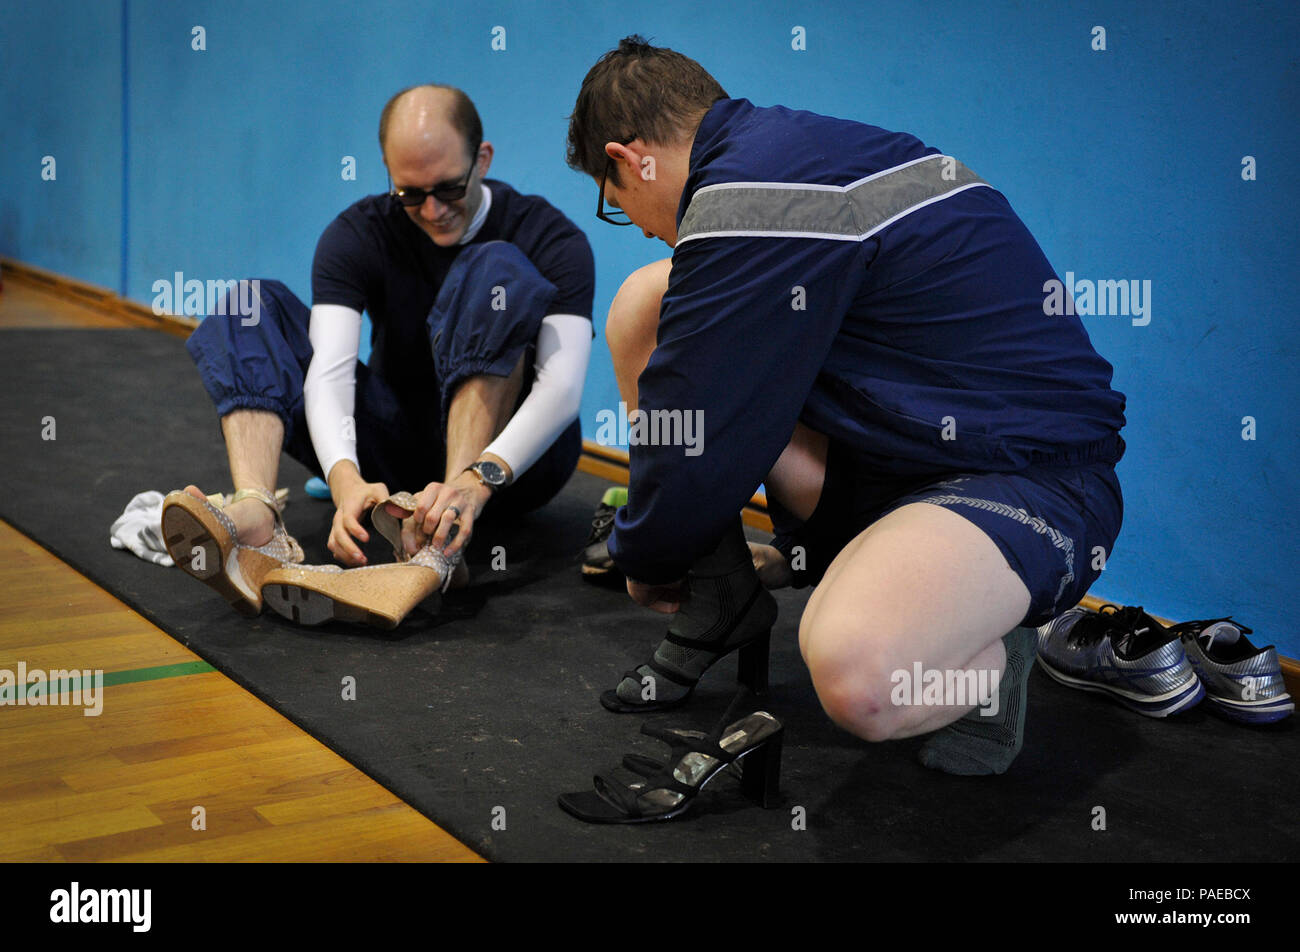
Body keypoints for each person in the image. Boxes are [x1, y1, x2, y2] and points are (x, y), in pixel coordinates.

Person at [564, 37, 1126, 775]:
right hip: (903, 448)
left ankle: (990, 656)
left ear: (630, 155)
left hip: (1031, 481)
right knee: (645, 300)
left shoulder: (747, 202)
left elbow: (696, 431)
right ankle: (725, 594)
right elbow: (705, 400)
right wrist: (693, 553)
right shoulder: (782, 158)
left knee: (860, 681)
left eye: (619, 204)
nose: (635, 224)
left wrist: (648, 553)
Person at [166, 84, 595, 624]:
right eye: (410, 194)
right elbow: (329, 371)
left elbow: (563, 389)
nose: (434, 210)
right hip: (397, 449)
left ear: (482, 159)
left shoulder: (551, 237)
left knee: (495, 270)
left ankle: (444, 534)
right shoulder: (357, 235)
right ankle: (256, 516)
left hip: (511, 466)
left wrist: (474, 481)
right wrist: (345, 477)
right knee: (250, 304)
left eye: (448, 188)